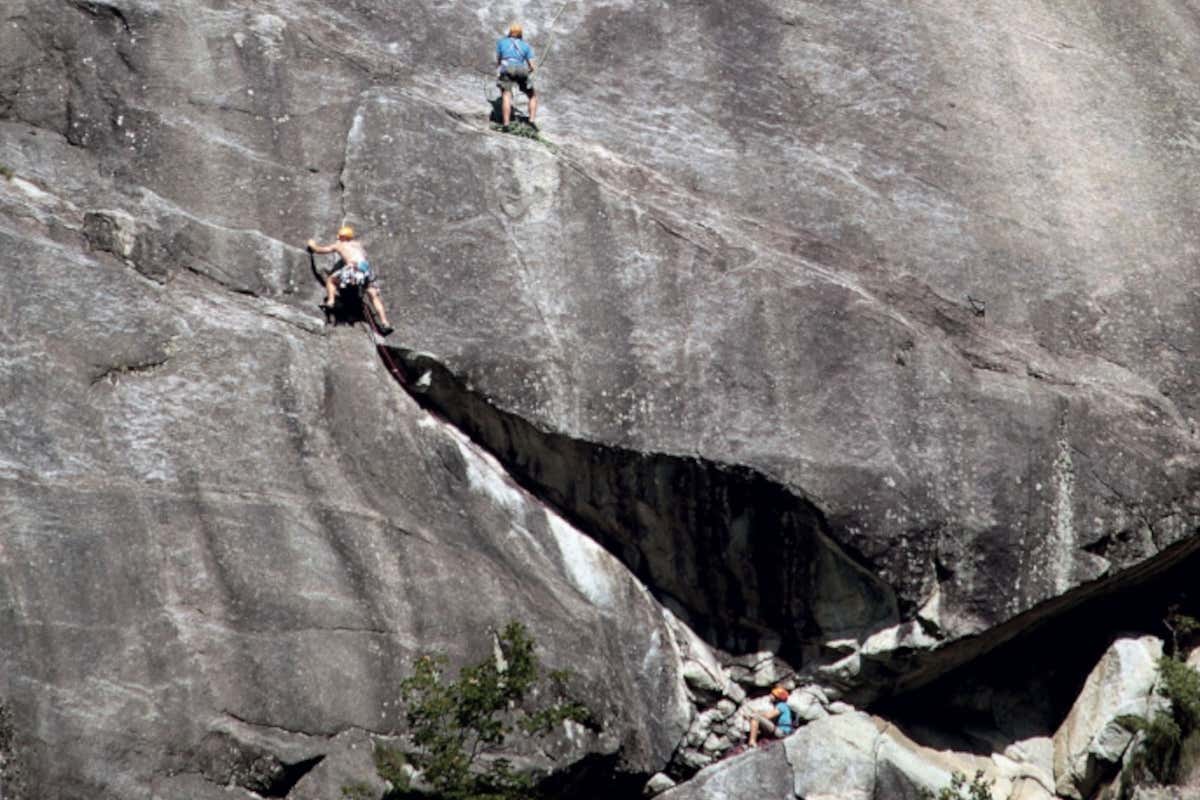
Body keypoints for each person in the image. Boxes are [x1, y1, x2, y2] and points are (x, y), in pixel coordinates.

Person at [306, 225, 394, 336]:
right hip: (366, 270)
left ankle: (331, 302)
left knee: (331, 280)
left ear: (340, 237)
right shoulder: (358, 245)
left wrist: (312, 244)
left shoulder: (339, 245)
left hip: (353, 269)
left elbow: (319, 250)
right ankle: (385, 322)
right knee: (373, 295)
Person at [496, 22, 538, 130]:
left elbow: (499, 60)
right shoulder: (525, 46)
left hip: (506, 68)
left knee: (506, 96)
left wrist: (499, 71)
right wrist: (527, 72)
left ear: (510, 32)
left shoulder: (502, 42)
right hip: (521, 69)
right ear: (520, 34)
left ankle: (506, 124)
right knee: (532, 95)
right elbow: (532, 66)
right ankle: (531, 121)